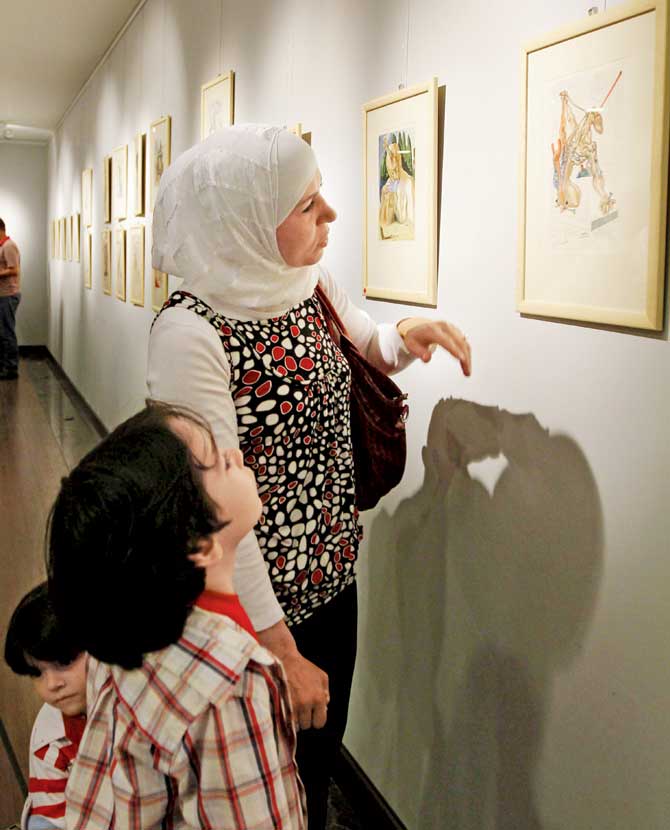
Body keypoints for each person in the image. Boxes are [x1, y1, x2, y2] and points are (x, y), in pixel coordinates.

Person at [148, 124, 471, 829]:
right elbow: (213, 506)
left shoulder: (306, 281)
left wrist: (407, 338)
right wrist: (276, 644)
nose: (329, 216)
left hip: (330, 575)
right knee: (251, 792)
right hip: (250, 610)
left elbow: (364, 343)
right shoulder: (190, 333)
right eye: (307, 205)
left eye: (321, 197)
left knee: (314, 768)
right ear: (245, 221)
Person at [46, 402, 305, 829]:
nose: (237, 456)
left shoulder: (119, 624)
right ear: (200, 545)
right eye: (220, 463)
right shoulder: (232, 684)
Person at [4, 582, 87, 830]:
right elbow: (52, 819)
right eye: (36, 673)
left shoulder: (139, 702)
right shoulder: (50, 737)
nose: (52, 684)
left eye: (64, 661)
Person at [0, 218, 21, 380]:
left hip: (8, 295)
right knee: (2, 332)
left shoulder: (9, 246)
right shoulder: (3, 247)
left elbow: (14, 270)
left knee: (7, 332)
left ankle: (11, 368)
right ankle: (4, 365)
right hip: (2, 295)